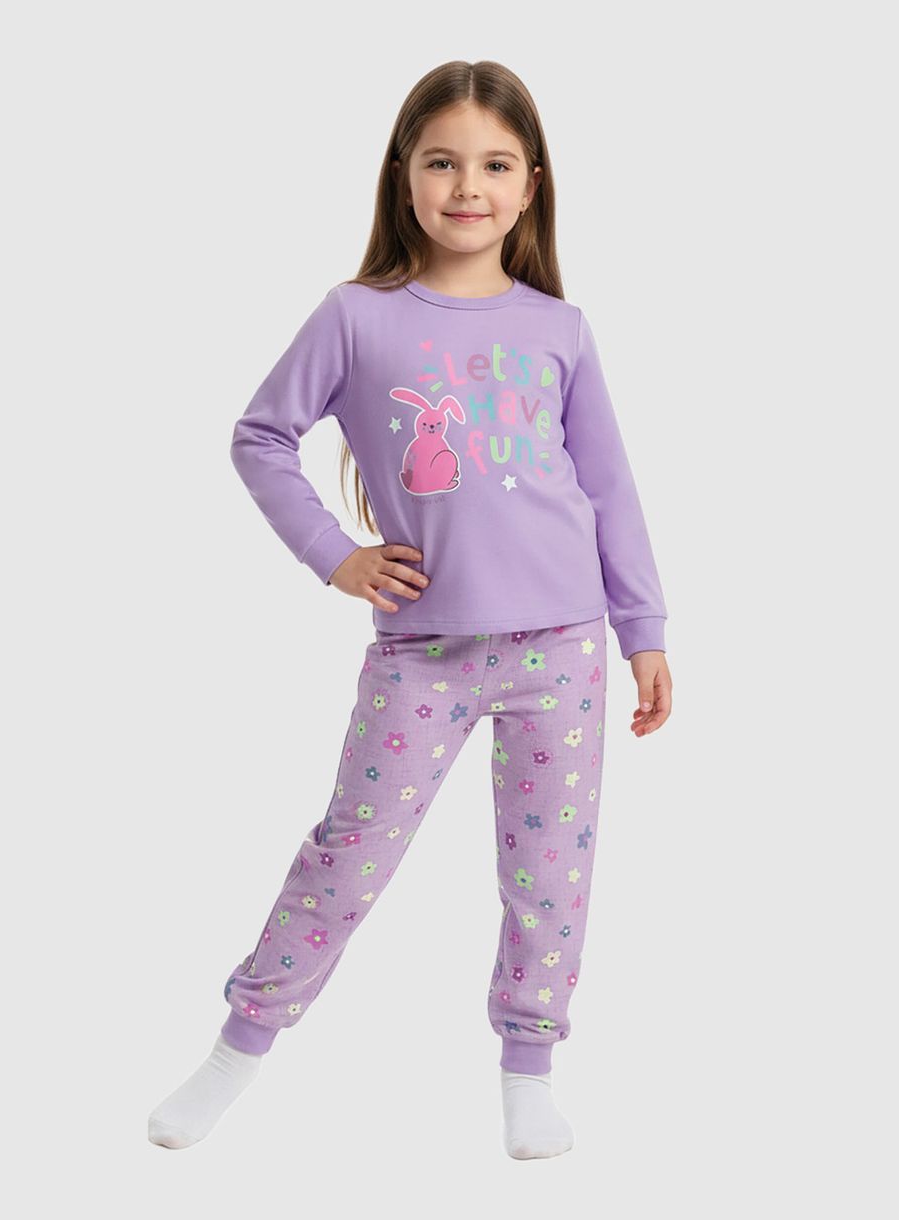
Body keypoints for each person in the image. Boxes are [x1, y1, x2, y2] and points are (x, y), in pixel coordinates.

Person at [148, 58, 673, 1160]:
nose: (467, 185)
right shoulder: (356, 316)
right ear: (404, 175)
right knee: (349, 852)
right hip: (422, 652)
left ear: (530, 185)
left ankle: (529, 1069)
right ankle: (239, 1047)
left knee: (550, 871)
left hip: (562, 648)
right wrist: (335, 556)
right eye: (442, 161)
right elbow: (260, 437)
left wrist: (644, 632)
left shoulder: (560, 329)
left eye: (494, 164)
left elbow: (610, 488)